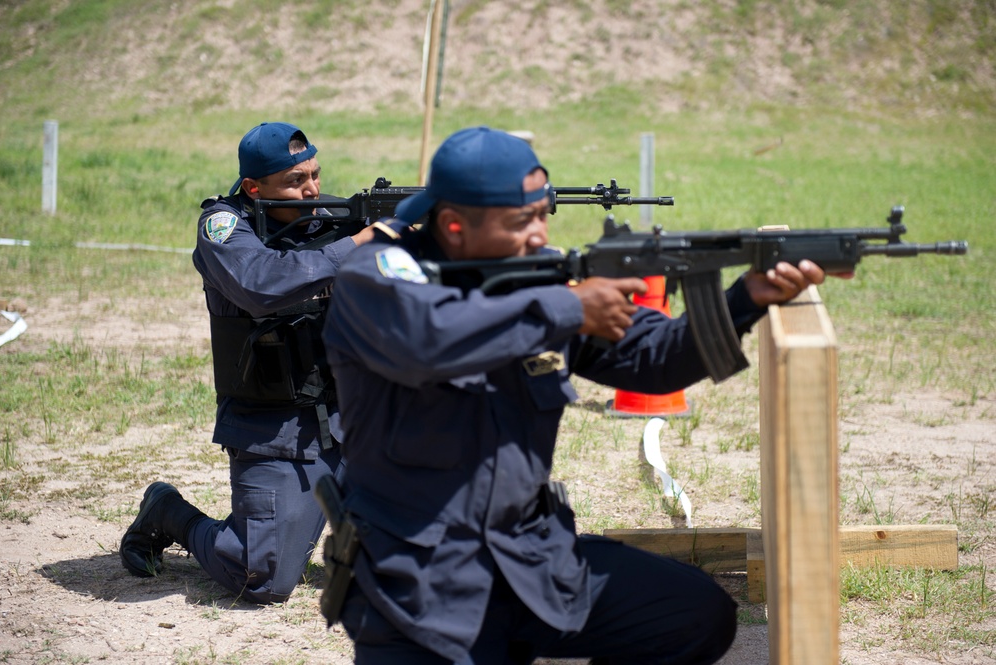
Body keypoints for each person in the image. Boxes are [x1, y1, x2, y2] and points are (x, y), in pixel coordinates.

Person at [321, 126, 843, 664]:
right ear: (454, 225)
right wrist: (570, 309)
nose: (541, 235)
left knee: (692, 613)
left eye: (544, 213)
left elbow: (653, 357)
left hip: (528, 561)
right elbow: (427, 339)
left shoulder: (533, 280)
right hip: (419, 588)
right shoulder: (377, 277)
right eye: (523, 222)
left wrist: (744, 299)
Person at [119, 121, 379, 604]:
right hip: (276, 425)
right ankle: (166, 512)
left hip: (354, 419)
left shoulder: (333, 220)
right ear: (253, 188)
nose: (312, 190)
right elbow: (262, 286)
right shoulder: (223, 228)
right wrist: (358, 246)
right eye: (295, 181)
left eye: (315, 175)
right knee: (260, 577)